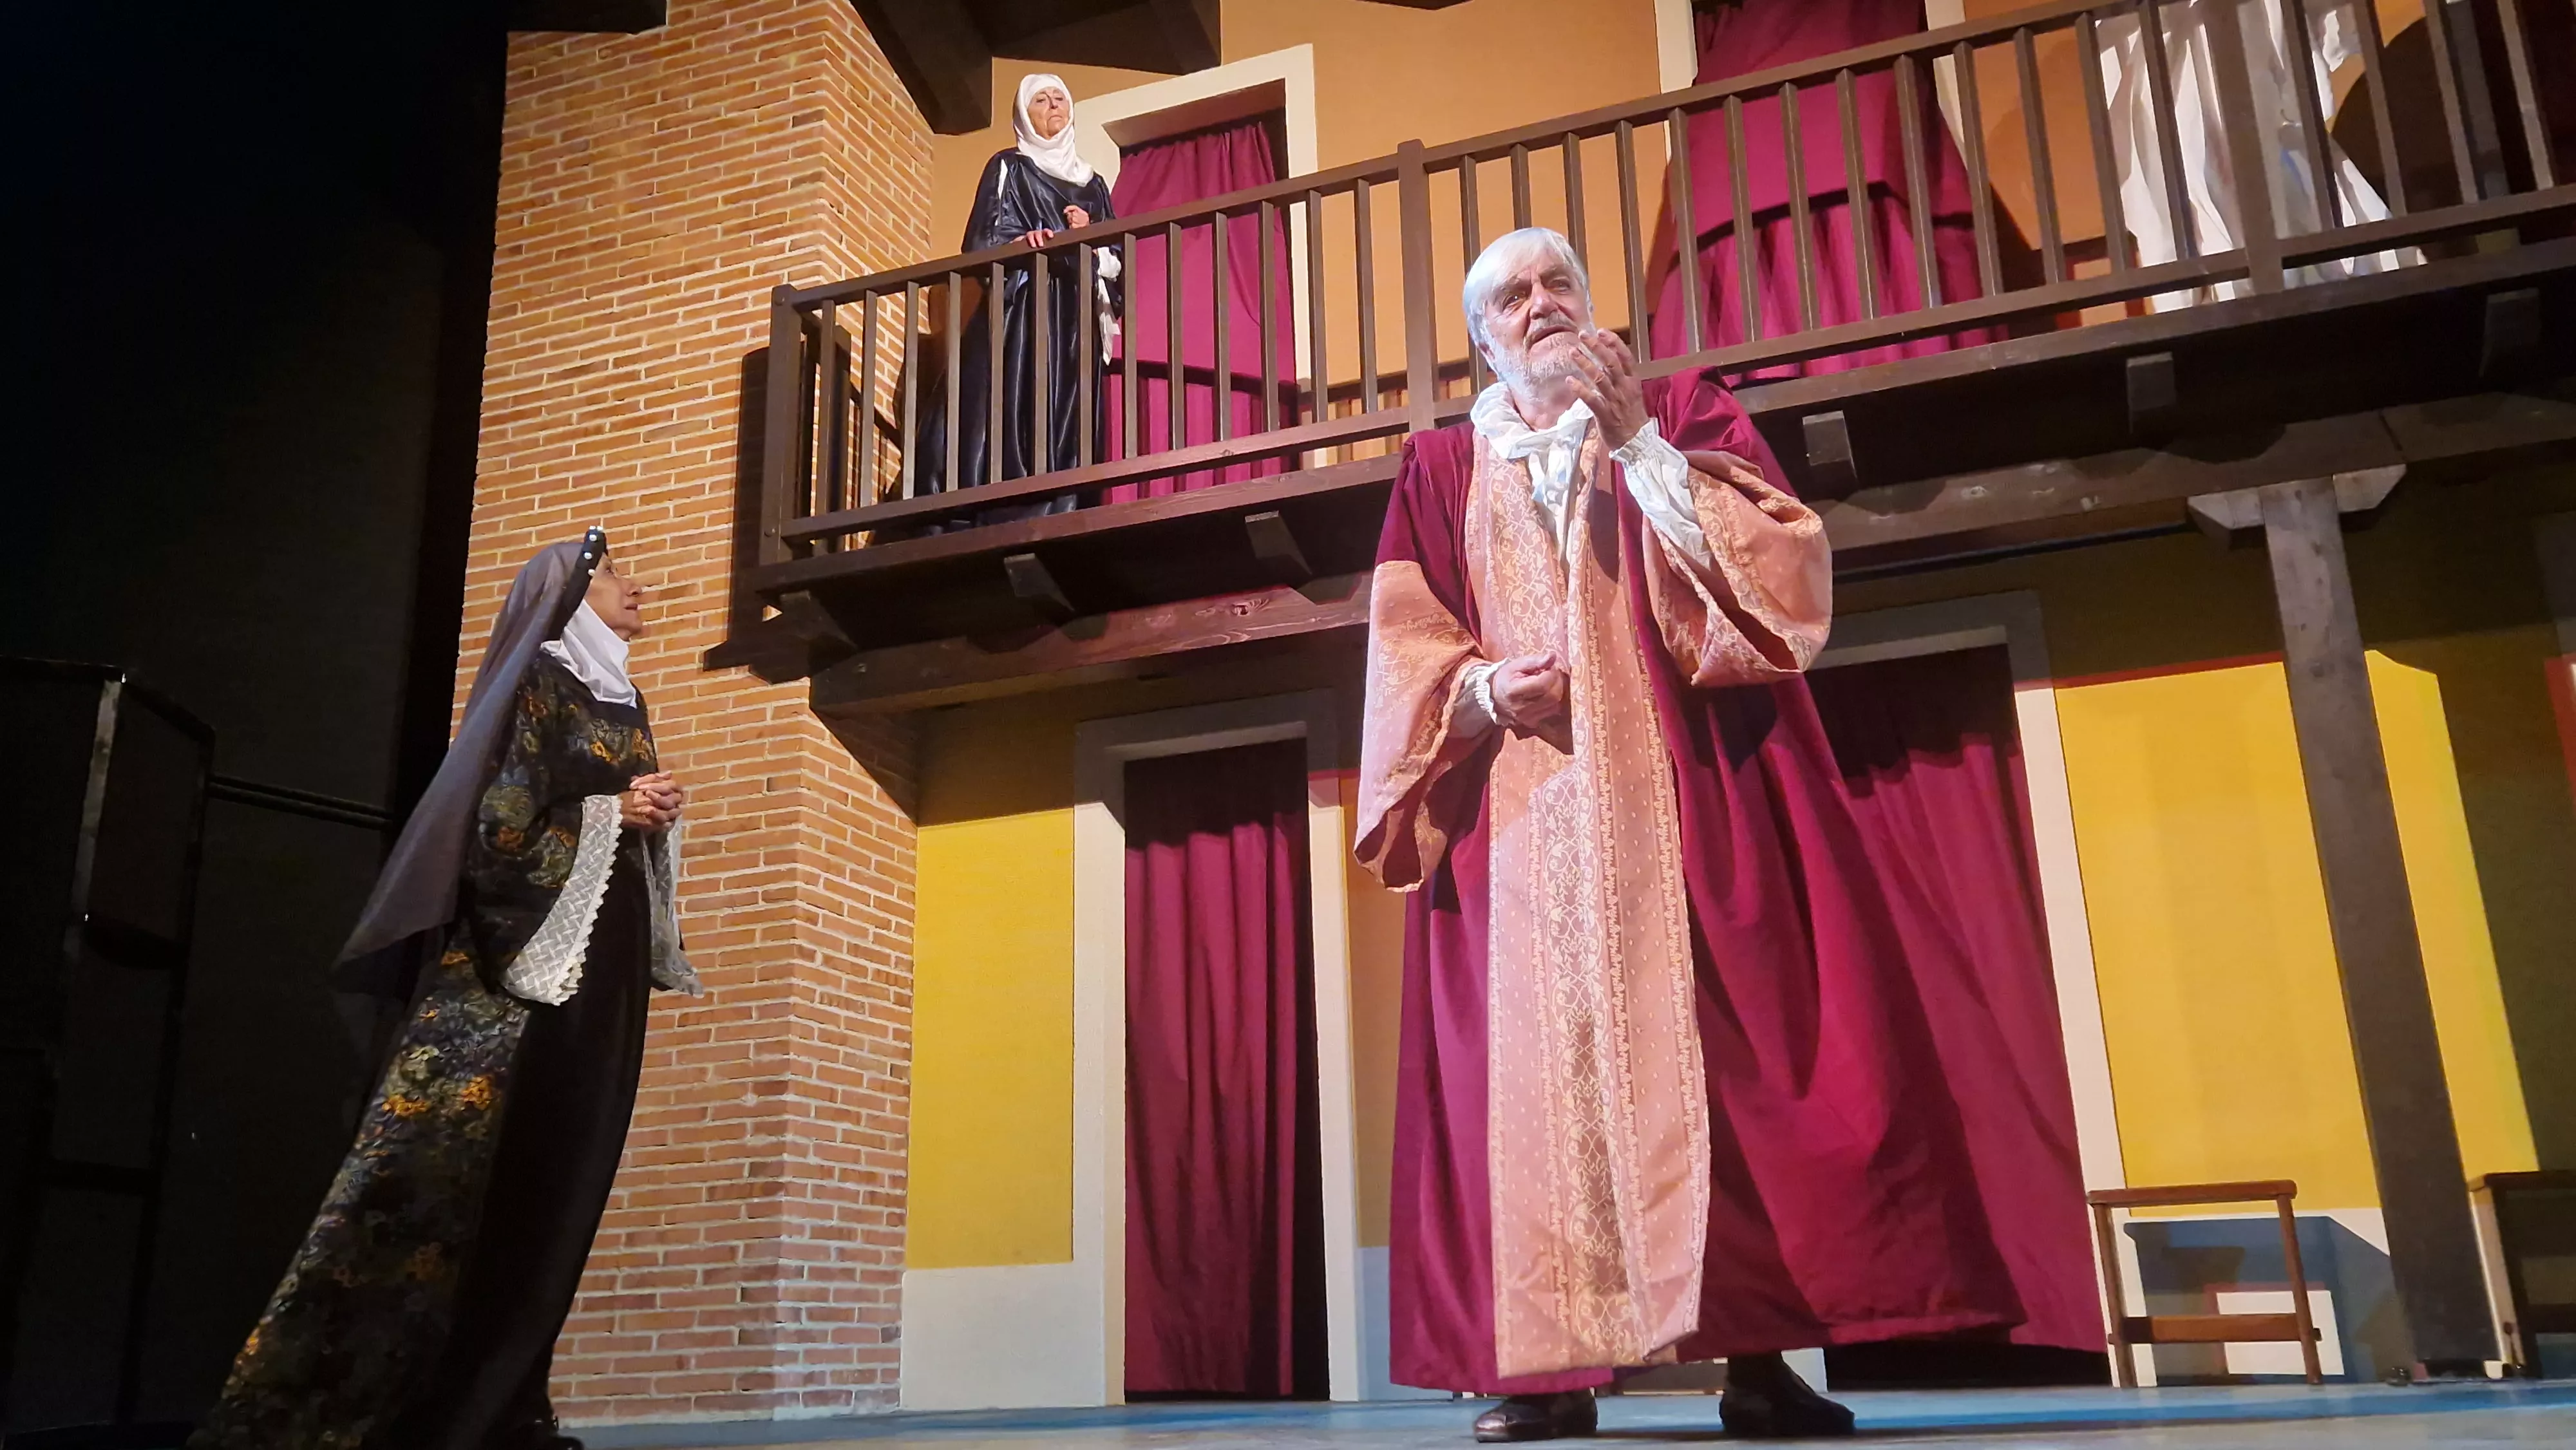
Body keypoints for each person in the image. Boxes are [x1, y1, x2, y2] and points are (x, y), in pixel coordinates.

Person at [1357, 230, 2048, 1442]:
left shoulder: (1677, 406)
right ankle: (1545, 1374)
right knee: (1532, 1092)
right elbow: (1405, 641)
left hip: (1688, 800)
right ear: (1481, 337)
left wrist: (1636, 446)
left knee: (1728, 1076)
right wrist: (1476, 693)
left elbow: (1779, 578)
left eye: (1560, 284)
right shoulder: (1437, 465)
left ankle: (1760, 1362)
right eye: (1512, 298)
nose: (1542, 307)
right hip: (1517, 837)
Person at [193, 530, 701, 1450]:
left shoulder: (624, 697)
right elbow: (498, 834)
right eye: (618, 573)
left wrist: (647, 819)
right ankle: (452, 1414)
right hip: (527, 976)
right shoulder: (539, 686)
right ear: (576, 591)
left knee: (569, 1180)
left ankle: (515, 1405)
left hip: (605, 955)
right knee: (503, 1183)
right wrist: (610, 812)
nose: (639, 586)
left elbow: (610, 817)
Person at [910, 73, 1123, 519]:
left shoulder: (1094, 184)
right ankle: (1014, 499)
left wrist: (1089, 235)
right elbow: (983, 240)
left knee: (1071, 400)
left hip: (1075, 311)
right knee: (1019, 392)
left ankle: (1068, 496)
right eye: (1041, 101)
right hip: (1026, 307)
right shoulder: (1009, 166)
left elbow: (1117, 259)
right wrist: (1025, 242)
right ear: (1025, 115)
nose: (1053, 106)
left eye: (1060, 98)